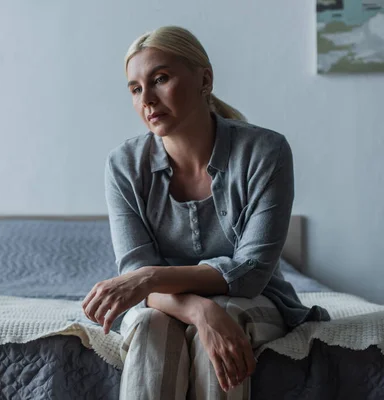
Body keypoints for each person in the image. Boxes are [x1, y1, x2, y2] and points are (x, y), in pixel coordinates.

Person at [81, 26, 330, 399]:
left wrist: (150, 278)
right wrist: (198, 310)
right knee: (150, 324)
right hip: (160, 307)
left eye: (160, 79)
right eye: (135, 89)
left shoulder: (266, 152)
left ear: (205, 79)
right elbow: (135, 279)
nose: (146, 99)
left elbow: (251, 272)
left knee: (228, 310)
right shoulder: (123, 165)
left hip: (254, 301)